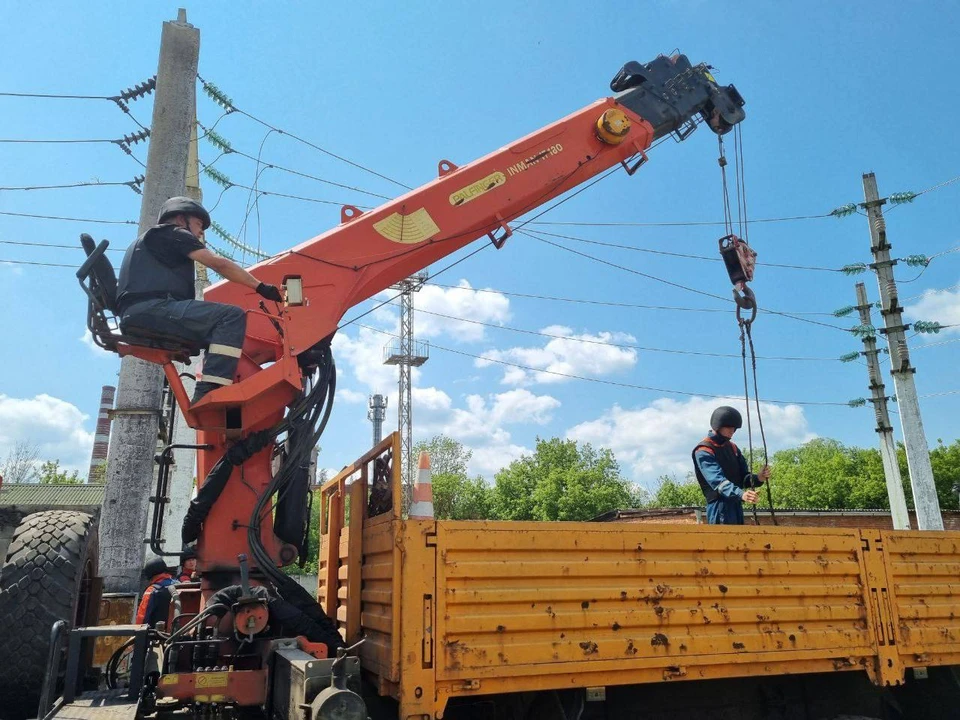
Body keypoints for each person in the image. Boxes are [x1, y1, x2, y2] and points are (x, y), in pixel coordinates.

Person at [115, 197, 283, 405]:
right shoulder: (173, 234)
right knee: (230, 316)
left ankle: (212, 386)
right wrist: (261, 287)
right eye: (198, 224)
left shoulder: (144, 242)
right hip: (154, 308)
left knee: (215, 333)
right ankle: (211, 390)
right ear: (180, 218)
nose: (202, 231)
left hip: (140, 312)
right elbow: (218, 264)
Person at [692, 406, 771, 525]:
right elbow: (718, 481)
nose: (732, 430)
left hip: (736, 505)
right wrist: (741, 494)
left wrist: (758, 478)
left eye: (734, 428)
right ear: (718, 425)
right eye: (729, 426)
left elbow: (743, 478)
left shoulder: (733, 448)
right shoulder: (704, 450)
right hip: (719, 507)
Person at [135, 557, 176, 627]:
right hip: (181, 632)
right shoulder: (180, 585)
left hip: (157, 635)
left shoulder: (151, 591)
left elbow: (142, 617)